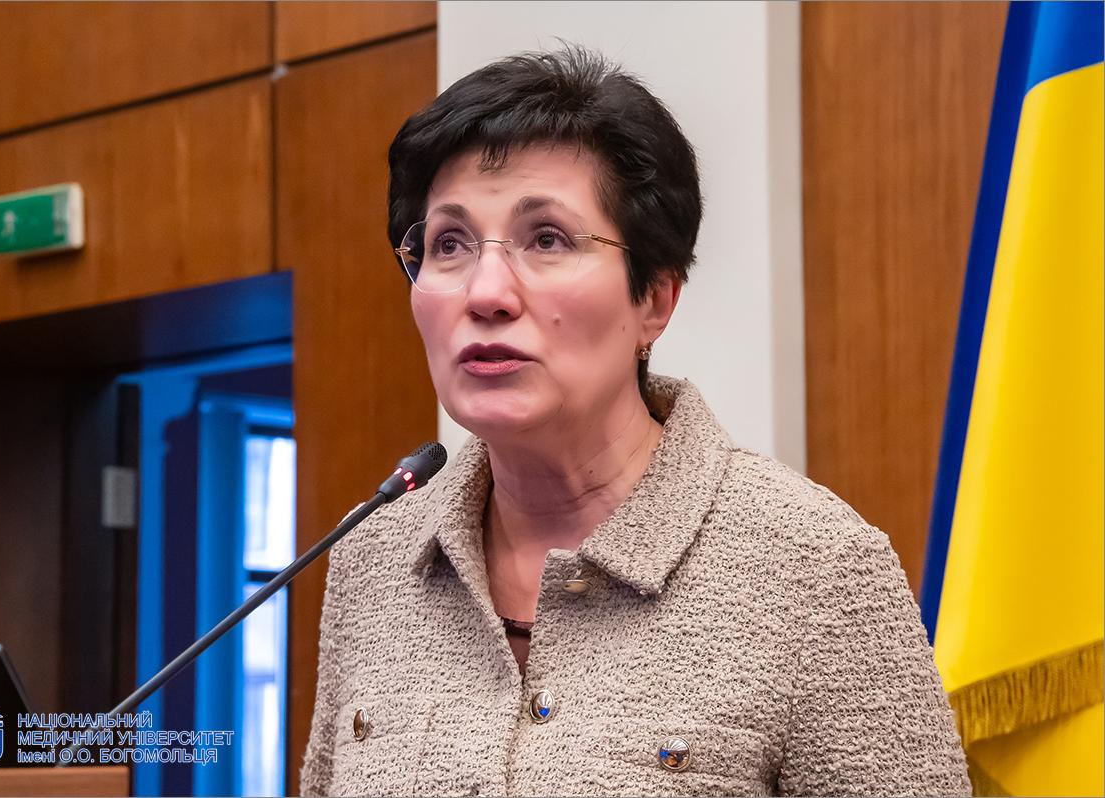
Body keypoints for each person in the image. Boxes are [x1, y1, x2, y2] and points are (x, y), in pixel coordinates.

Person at [300, 45, 970, 797]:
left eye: (547, 238)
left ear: (654, 298)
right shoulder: (371, 559)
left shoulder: (813, 567)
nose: (485, 293)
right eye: (448, 243)